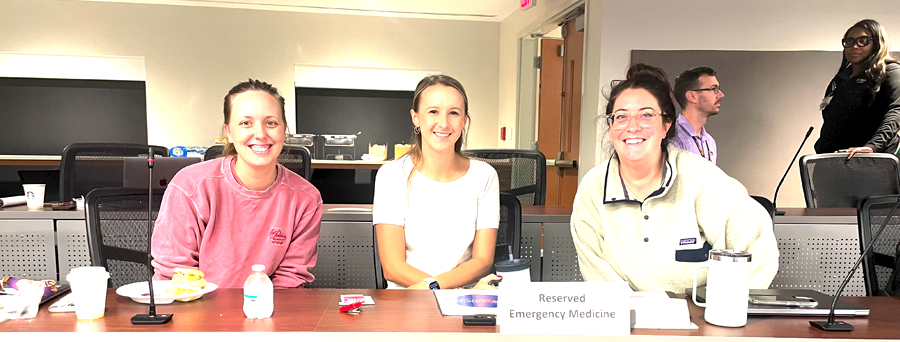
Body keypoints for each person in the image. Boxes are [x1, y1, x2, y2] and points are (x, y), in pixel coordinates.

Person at [570, 64, 779, 293]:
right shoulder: (594, 186)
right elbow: (596, 272)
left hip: (698, 321)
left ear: (666, 125)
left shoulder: (700, 177)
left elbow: (760, 249)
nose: (632, 126)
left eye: (646, 115)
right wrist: (633, 317)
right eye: (621, 117)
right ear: (611, 127)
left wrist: (721, 308)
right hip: (625, 320)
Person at [151, 79, 323, 288]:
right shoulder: (190, 187)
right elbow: (176, 276)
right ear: (229, 132)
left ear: (284, 131)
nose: (260, 134)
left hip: (264, 312)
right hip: (194, 310)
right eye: (245, 123)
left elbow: (290, 281)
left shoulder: (306, 199)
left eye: (271, 123)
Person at [373, 74, 501, 290]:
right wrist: (436, 290)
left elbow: (483, 260)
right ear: (416, 118)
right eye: (433, 111)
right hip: (408, 299)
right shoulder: (391, 175)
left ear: (464, 121)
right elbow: (393, 267)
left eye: (454, 113)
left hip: (464, 299)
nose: (443, 123)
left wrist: (438, 289)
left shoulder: (485, 175)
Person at [814, 19, 900, 158]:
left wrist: (872, 147)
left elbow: (895, 111)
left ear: (877, 43)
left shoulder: (890, 71)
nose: (855, 46)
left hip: (874, 158)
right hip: (837, 158)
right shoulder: (841, 78)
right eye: (849, 41)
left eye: (863, 41)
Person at [672, 67, 723, 164]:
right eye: (713, 89)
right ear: (692, 96)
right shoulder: (673, 138)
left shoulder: (709, 141)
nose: (721, 94)